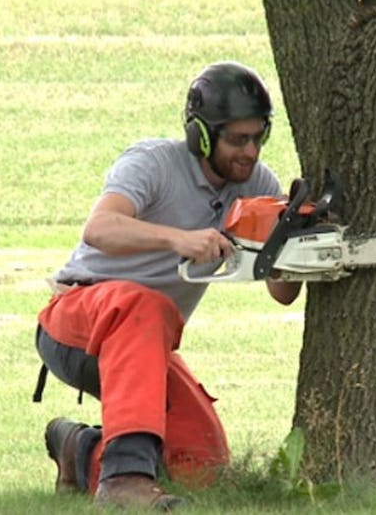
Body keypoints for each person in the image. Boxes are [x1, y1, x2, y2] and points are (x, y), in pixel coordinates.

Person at [33, 61, 302, 511]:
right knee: (143, 304)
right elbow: (99, 228)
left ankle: (81, 452)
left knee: (204, 466)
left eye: (259, 137)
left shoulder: (257, 184)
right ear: (201, 135)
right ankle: (124, 484)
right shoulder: (152, 162)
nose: (251, 152)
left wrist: (294, 241)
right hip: (76, 322)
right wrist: (179, 239)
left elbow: (282, 293)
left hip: (146, 347)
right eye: (238, 139)